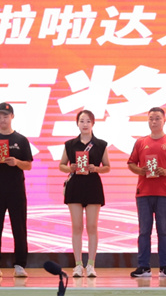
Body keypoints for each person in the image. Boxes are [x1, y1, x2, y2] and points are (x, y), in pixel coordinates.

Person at [127, 107, 166, 278]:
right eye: (151, 118)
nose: (154, 121)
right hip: (143, 193)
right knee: (144, 231)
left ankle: (164, 266)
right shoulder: (141, 142)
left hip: (164, 192)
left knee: (163, 231)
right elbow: (131, 163)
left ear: (164, 121)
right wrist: (140, 170)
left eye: (157, 118)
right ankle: (143, 266)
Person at [0, 102, 33, 278]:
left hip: (16, 190)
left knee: (19, 227)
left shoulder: (21, 140)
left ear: (12, 117)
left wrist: (16, 162)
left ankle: (20, 265)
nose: (2, 119)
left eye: (5, 116)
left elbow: (28, 165)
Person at [59, 110, 110, 278]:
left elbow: (107, 167)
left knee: (92, 226)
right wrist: (70, 168)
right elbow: (62, 165)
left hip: (93, 186)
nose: (85, 124)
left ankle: (91, 265)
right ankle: (78, 265)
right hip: (75, 186)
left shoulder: (101, 144)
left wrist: (96, 169)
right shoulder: (70, 144)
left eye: (88, 121)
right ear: (77, 123)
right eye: (82, 121)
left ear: (93, 123)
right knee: (77, 226)